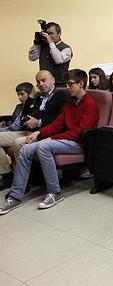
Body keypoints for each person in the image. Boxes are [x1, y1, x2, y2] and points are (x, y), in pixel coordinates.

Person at [0, 69, 99, 214]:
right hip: (67, 140)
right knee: (26, 148)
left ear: (81, 84)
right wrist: (39, 132)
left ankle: (55, 192)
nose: (67, 87)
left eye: (70, 84)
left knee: (43, 146)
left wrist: (52, 138)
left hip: (79, 144)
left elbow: (79, 133)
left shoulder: (91, 104)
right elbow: (57, 124)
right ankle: (15, 196)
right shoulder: (70, 104)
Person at [0, 70, 68, 191]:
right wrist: (31, 96)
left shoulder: (61, 95)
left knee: (18, 143)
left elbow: (59, 117)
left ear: (53, 80)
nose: (41, 84)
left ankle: (22, 182)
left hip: (44, 132)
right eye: (38, 82)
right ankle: (7, 175)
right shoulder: (37, 97)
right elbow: (23, 116)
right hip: (28, 131)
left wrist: (39, 122)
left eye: (44, 80)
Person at [0, 83, 33, 189]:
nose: (19, 97)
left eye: (22, 94)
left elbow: (16, 127)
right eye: (18, 94)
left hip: (24, 132)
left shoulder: (32, 106)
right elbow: (13, 123)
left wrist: (3, 129)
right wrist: (5, 125)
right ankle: (6, 174)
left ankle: (10, 176)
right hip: (14, 132)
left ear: (29, 94)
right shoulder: (18, 107)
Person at [28, 22, 72, 86]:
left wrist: (51, 43)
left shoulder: (66, 48)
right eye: (47, 34)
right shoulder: (43, 46)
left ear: (59, 34)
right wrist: (36, 43)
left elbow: (58, 60)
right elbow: (32, 58)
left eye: (51, 33)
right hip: (43, 84)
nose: (49, 36)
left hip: (59, 85)